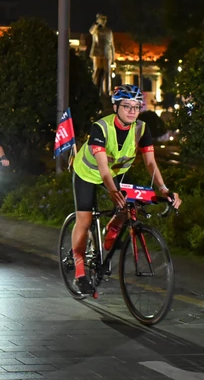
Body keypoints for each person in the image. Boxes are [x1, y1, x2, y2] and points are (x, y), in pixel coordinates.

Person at [70, 84, 182, 295]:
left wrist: (164, 189)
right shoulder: (100, 128)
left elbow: (150, 163)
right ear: (115, 107)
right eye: (126, 106)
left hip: (116, 172)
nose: (132, 111)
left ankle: (110, 233)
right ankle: (79, 274)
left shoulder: (141, 128)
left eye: (136, 106)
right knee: (84, 220)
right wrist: (113, 192)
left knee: (130, 205)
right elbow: (103, 168)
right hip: (88, 172)